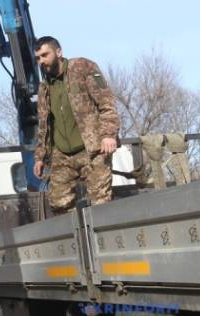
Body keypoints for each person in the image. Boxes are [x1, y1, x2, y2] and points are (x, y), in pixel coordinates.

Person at [32, 36, 121, 213]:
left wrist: (109, 135)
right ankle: (77, 238)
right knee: (58, 203)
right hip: (63, 154)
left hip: (93, 149)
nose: (41, 61)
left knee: (100, 203)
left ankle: (101, 238)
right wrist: (40, 157)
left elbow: (106, 102)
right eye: (38, 58)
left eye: (45, 55)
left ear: (58, 52)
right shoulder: (44, 88)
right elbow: (44, 126)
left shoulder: (83, 68)